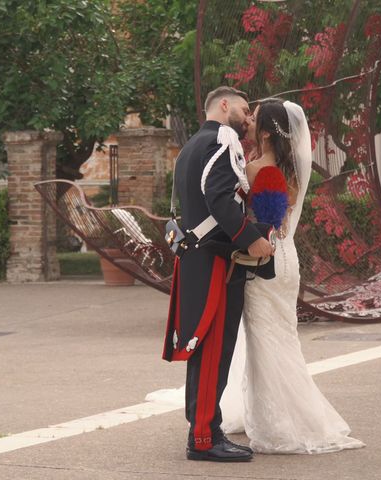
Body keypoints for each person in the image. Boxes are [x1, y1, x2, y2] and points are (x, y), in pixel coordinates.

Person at [220, 98, 365, 454]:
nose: (249, 122)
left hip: (264, 261)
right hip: (288, 258)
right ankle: (296, 415)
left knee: (263, 340)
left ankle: (278, 425)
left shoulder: (255, 169)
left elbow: (249, 217)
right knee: (283, 336)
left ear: (267, 132)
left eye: (254, 120)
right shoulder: (293, 170)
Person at [161, 86, 274, 462]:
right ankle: (205, 438)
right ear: (224, 106)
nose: (246, 116)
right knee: (212, 350)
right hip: (216, 261)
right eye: (244, 108)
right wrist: (251, 239)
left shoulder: (192, 145)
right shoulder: (223, 140)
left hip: (195, 258)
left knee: (204, 348)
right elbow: (220, 198)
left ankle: (204, 427)